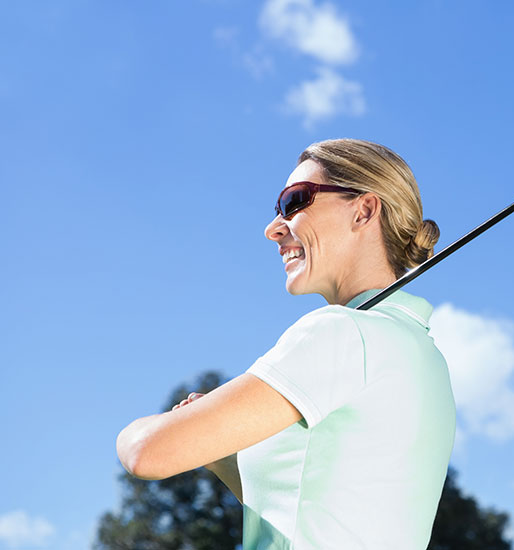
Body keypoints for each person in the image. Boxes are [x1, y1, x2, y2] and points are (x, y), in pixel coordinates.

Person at [116, 138, 457, 549]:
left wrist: (147, 431)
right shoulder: (425, 356)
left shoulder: (339, 332)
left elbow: (144, 452)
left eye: (294, 201)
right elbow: (319, 507)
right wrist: (217, 452)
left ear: (364, 210)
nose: (273, 228)